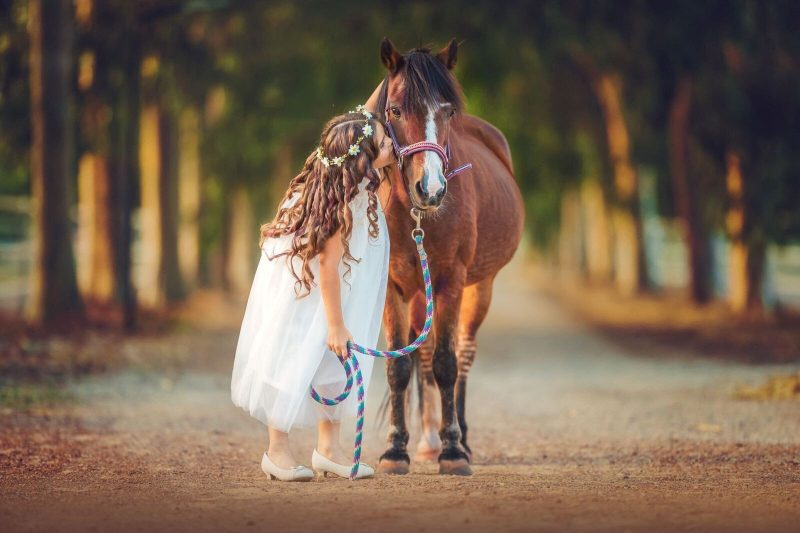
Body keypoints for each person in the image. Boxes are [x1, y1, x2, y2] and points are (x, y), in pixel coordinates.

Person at [230, 105, 396, 481]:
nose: (393, 145)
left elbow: (366, 119)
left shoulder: (360, 186)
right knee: (292, 358)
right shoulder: (336, 205)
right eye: (385, 143)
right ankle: (277, 451)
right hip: (308, 293)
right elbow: (327, 267)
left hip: (337, 288)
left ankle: (329, 449)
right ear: (363, 159)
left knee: (334, 366)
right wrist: (335, 326)